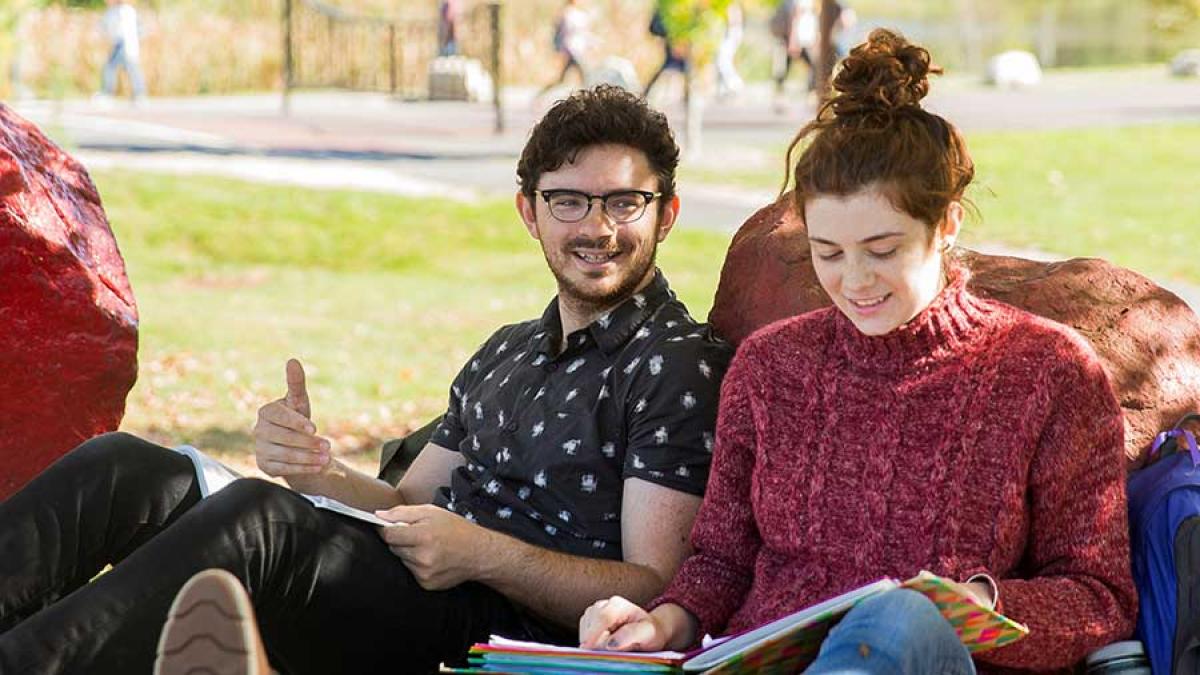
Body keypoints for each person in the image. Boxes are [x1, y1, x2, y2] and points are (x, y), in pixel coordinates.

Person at [0, 84, 733, 675]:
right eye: (568, 200)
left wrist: (483, 552)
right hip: (407, 578)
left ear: (665, 214)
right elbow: (406, 504)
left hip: (498, 630)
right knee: (127, 466)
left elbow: (652, 583)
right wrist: (323, 472)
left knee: (261, 521)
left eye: (623, 202)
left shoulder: (674, 363)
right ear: (529, 213)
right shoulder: (510, 349)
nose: (596, 227)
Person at [579, 29, 1137, 674]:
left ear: (947, 224)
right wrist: (659, 624)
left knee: (898, 618)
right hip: (765, 662)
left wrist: (976, 604)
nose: (855, 281)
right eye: (828, 253)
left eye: (882, 250)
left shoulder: (1048, 370)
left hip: (938, 659)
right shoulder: (769, 367)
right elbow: (721, 564)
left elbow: (1099, 599)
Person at [538, 0, 591, 96]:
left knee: (563, 79)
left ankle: (541, 95)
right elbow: (559, 35)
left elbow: (583, 34)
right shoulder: (565, 14)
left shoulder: (580, 14)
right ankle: (541, 95)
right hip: (570, 50)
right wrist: (559, 50)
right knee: (584, 76)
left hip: (577, 50)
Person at [98, 0, 146, 102]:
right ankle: (139, 94)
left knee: (112, 67)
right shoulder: (119, 10)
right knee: (131, 68)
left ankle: (107, 93)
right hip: (123, 43)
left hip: (123, 43)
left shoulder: (123, 11)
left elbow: (108, 27)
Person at [642, 6, 690, 101]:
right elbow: (653, 28)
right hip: (671, 48)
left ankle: (689, 102)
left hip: (682, 49)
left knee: (688, 73)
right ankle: (644, 97)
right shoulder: (665, 7)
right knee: (661, 72)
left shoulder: (685, 7)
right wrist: (669, 35)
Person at [715, 2, 744, 99]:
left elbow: (734, 19)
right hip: (731, 32)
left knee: (723, 61)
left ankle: (735, 84)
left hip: (732, 33)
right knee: (723, 61)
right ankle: (726, 88)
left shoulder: (732, 5)